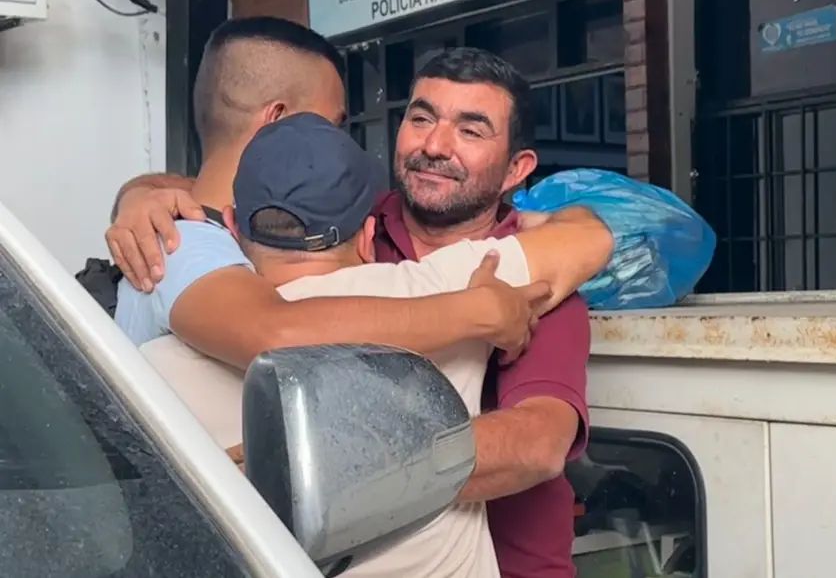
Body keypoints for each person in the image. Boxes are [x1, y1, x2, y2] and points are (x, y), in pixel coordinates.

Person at [109, 46, 610, 577]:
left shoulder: (532, 278)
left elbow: (535, 443)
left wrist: (307, 471)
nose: (435, 146)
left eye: (470, 130)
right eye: (421, 119)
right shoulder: (354, 219)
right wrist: (142, 198)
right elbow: (265, 195)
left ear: (517, 169)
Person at [111, 18, 543, 372]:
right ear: (279, 121)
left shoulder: (199, 229)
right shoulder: (178, 244)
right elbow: (275, 333)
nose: (336, 144)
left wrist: (140, 191)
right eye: (331, 125)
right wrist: (475, 312)